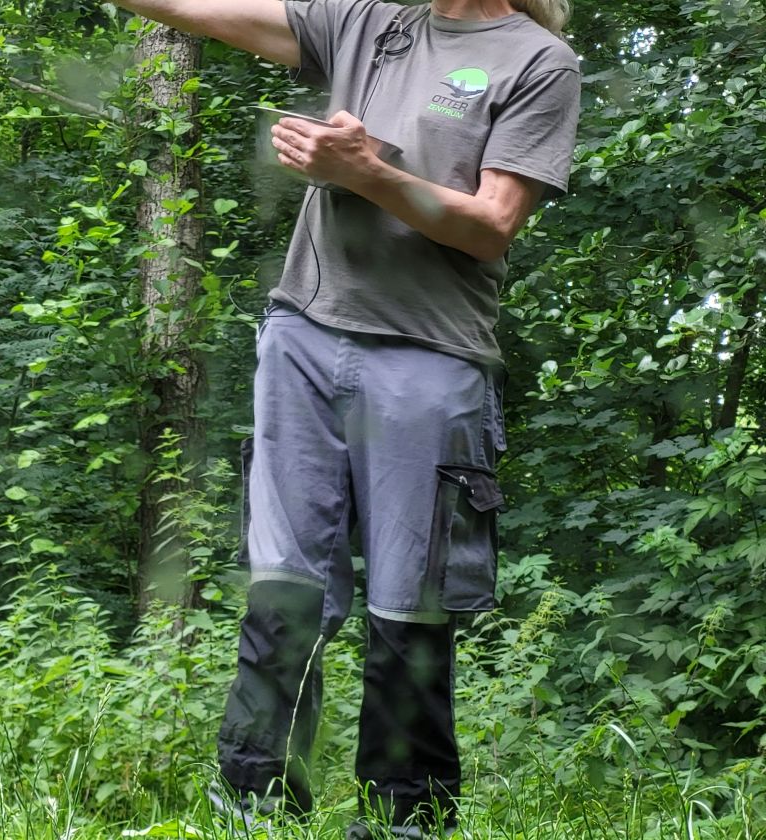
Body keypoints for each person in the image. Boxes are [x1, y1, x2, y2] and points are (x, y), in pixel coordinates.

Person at [107, 0, 581, 837]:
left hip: (430, 358)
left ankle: (405, 824)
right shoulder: (366, 20)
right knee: (283, 594)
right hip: (302, 337)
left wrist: (364, 170)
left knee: (410, 611)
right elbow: (196, 8)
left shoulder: (539, 60)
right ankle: (255, 812)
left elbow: (492, 227)